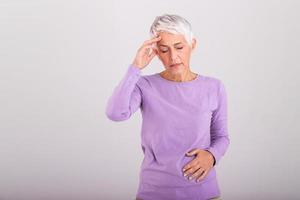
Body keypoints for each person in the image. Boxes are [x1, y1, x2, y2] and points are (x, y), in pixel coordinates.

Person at [105, 14, 229, 200]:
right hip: (155, 191)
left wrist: (211, 156)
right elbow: (115, 113)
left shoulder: (214, 87)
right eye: (164, 50)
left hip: (203, 190)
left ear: (192, 45)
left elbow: (222, 137)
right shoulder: (144, 85)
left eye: (179, 47)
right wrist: (135, 67)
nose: (173, 56)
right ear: (155, 51)